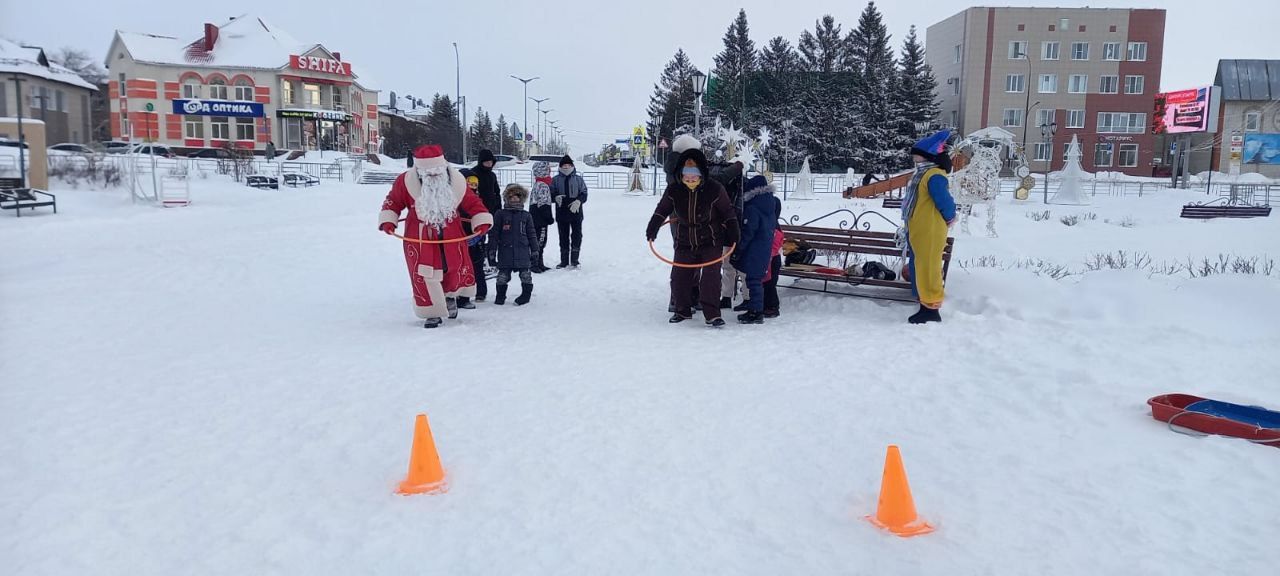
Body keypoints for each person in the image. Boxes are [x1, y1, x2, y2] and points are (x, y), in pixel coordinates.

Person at [378, 145, 493, 329]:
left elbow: (473, 202)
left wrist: (480, 220)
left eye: (436, 171)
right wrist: (388, 219)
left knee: (452, 267)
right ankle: (431, 312)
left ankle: (450, 297)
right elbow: (393, 201)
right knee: (425, 273)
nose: (432, 176)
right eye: (427, 172)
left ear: (443, 167)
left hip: (451, 233)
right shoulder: (405, 181)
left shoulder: (457, 181)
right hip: (421, 237)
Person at [645, 147, 740, 327]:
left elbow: (728, 212)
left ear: (701, 175)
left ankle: (712, 314)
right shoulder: (674, 189)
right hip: (684, 239)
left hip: (710, 240)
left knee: (710, 278)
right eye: (686, 178)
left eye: (693, 178)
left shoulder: (714, 189)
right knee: (679, 277)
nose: (689, 181)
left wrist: (734, 233)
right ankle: (682, 310)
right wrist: (653, 228)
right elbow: (662, 209)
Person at [901, 130, 957, 324]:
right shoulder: (923, 173)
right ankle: (924, 302)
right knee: (922, 266)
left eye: (916, 153)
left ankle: (931, 308)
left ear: (927, 155)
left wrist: (950, 218)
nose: (913, 156)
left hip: (930, 229)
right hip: (919, 229)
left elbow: (945, 201)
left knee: (930, 267)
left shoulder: (934, 175)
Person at [729, 176, 778, 324]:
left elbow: (748, 232)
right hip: (764, 248)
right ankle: (755, 308)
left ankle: (756, 312)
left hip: (753, 249)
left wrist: (738, 249)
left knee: (753, 281)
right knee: (756, 279)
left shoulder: (753, 208)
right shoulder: (770, 204)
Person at [487, 183, 539, 306]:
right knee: (502, 276)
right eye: (511, 197)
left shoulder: (526, 215)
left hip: (523, 251)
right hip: (505, 252)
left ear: (521, 198)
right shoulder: (500, 214)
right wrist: (492, 250)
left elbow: (532, 234)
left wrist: (535, 250)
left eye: (517, 196)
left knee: (526, 275)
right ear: (506, 198)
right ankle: (500, 296)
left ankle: (526, 295)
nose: (514, 199)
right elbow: (494, 234)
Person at [463, 150, 502, 304]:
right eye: (486, 162)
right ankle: (466, 290)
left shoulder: (492, 175)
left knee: (484, 246)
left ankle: (481, 287)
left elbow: (496, 193)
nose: (489, 164)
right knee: (471, 254)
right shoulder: (473, 174)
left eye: (491, 162)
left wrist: (497, 209)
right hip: (472, 217)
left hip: (489, 214)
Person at [709, 155, 746, 309]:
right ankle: (727, 296)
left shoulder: (737, 184)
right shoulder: (734, 181)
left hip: (734, 227)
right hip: (727, 227)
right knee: (729, 265)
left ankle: (741, 297)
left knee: (735, 265)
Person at [550, 155, 588, 268]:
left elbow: (584, 193)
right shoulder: (555, 180)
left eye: (568, 165)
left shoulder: (578, 179)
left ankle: (575, 260)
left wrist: (579, 201)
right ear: (560, 166)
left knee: (577, 235)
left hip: (575, 210)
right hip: (561, 211)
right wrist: (555, 197)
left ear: (572, 166)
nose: (566, 167)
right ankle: (564, 260)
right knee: (563, 236)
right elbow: (551, 193)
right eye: (564, 165)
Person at [528, 160, 555, 273]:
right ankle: (535, 263)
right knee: (540, 241)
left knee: (537, 240)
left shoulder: (538, 183)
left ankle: (539, 262)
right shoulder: (543, 185)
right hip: (541, 219)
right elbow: (543, 203)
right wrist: (549, 218)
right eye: (548, 170)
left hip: (534, 217)